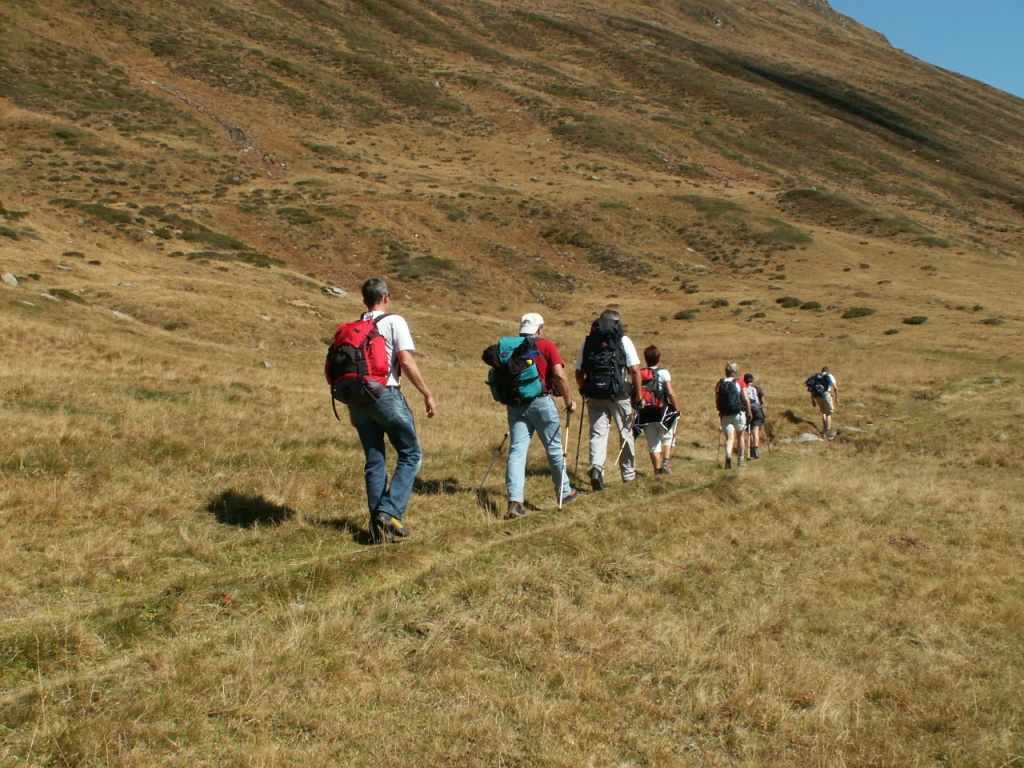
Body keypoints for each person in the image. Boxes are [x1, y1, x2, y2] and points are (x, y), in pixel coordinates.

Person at [345, 278, 437, 543]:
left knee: (375, 463)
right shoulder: (394, 321)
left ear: (365, 300)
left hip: (358, 400)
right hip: (386, 394)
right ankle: (390, 511)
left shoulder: (356, 326)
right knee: (411, 454)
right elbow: (406, 362)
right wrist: (427, 394)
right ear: (386, 297)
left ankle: (377, 532)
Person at [503, 313, 579, 518]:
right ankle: (564, 493)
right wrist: (568, 401)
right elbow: (559, 375)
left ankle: (514, 501)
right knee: (554, 449)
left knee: (517, 452)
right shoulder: (547, 345)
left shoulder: (510, 346)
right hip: (542, 402)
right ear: (539, 329)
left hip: (516, 404)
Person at [575, 309, 643, 490]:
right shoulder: (623, 340)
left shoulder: (588, 342)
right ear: (617, 323)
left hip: (595, 395)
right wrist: (639, 395)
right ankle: (628, 476)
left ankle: (596, 469)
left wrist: (583, 390)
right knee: (625, 433)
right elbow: (635, 370)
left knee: (598, 434)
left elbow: (579, 372)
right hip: (619, 394)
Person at [637, 345, 681, 475]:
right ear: (658, 358)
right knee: (667, 437)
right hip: (660, 412)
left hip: (644, 412)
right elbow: (670, 393)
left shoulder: (640, 374)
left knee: (653, 442)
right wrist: (677, 409)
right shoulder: (663, 373)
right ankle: (666, 462)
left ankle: (657, 470)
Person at [715, 361, 751, 469]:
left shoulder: (720, 383)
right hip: (738, 412)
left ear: (725, 371)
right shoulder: (740, 382)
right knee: (740, 436)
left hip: (725, 414)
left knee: (729, 438)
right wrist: (749, 412)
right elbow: (745, 399)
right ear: (735, 372)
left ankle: (728, 455)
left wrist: (720, 409)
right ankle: (740, 460)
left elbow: (716, 399)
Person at [810, 366, 840, 439]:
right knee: (828, 413)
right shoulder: (829, 376)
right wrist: (837, 398)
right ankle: (828, 431)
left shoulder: (816, 377)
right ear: (828, 371)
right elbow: (835, 388)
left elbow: (812, 389)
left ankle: (824, 430)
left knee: (823, 412)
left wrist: (813, 400)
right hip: (826, 395)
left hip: (817, 396)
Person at [743, 373, 766, 459]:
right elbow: (763, 402)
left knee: (749, 429)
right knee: (755, 429)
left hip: (747, 410)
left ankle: (751, 449)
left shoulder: (743, 389)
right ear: (752, 380)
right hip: (757, 409)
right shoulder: (757, 389)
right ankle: (756, 449)